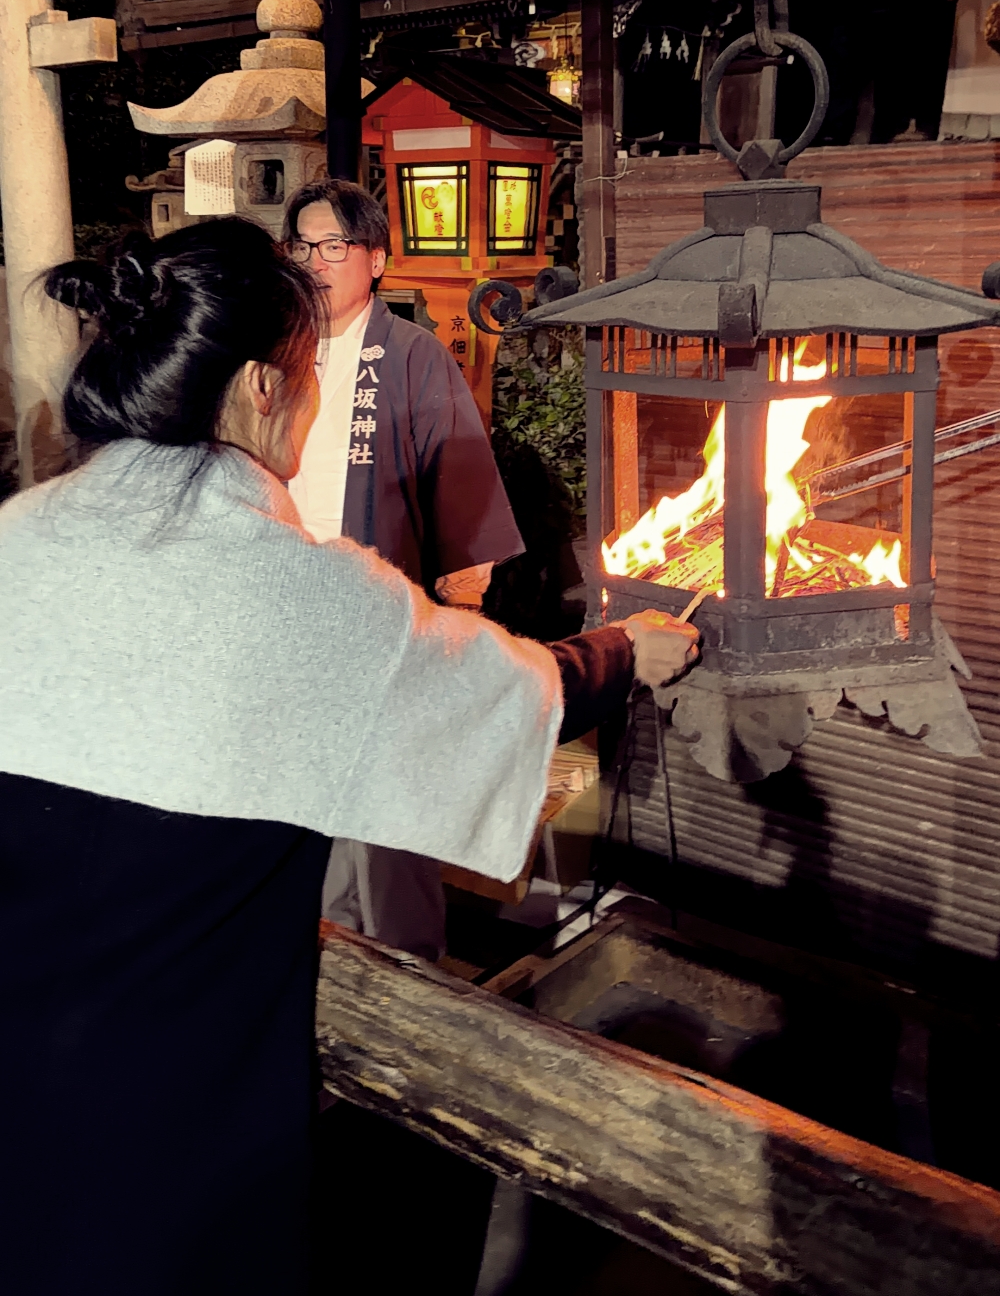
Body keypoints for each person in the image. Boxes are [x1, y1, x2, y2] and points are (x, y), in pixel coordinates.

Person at [0, 218, 700, 1295]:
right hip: (170, 1098)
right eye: (303, 372)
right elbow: (497, 694)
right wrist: (623, 651)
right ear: (260, 389)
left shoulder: (21, 531)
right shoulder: (308, 594)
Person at [284, 178, 523, 959]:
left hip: (382, 619)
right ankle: (324, 972)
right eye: (302, 245)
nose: (316, 261)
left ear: (376, 259)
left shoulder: (413, 356)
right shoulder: (275, 345)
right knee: (305, 811)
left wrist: (464, 605)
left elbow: (461, 485)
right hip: (287, 611)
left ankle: (408, 976)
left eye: (334, 246)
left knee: (388, 817)